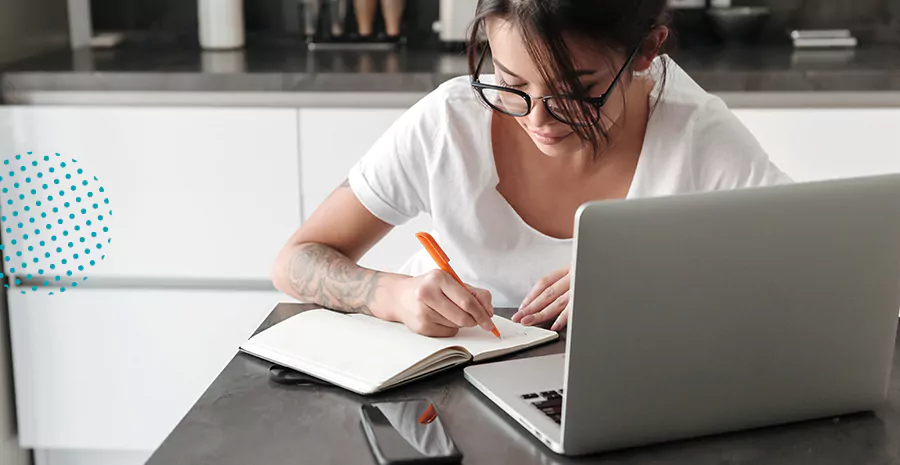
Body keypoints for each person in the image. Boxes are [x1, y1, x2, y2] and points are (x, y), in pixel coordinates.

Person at [272, 0, 791, 337]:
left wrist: (654, 276)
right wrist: (395, 295)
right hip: (456, 394)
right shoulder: (451, 122)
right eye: (509, 80)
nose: (537, 118)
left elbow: (803, 277)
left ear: (646, 51)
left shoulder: (697, 135)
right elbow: (296, 261)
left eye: (575, 89)